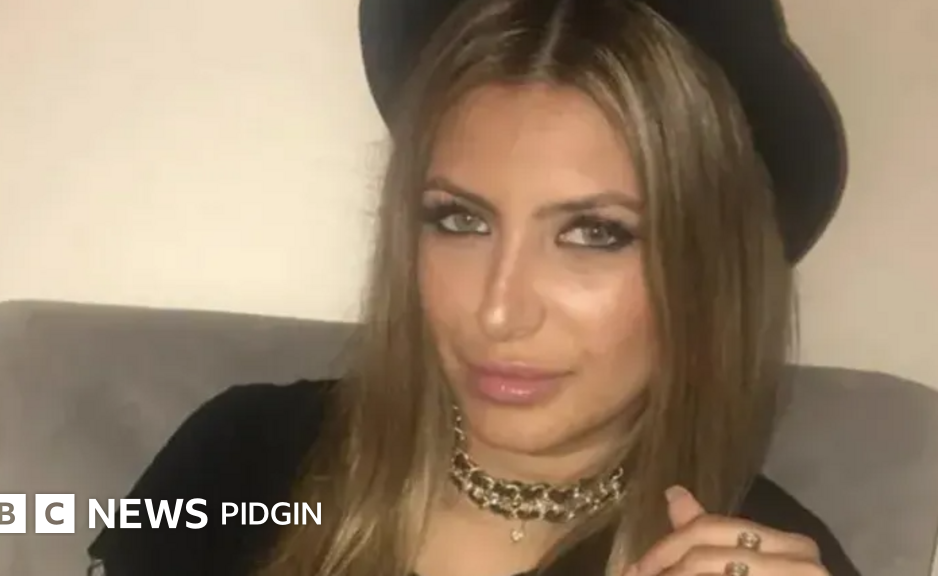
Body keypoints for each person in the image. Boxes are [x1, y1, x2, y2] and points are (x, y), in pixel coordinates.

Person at [87, 0, 861, 575]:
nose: (497, 310)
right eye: (459, 220)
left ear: (706, 272)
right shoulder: (242, 456)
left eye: (594, 233)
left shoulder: (758, 558)